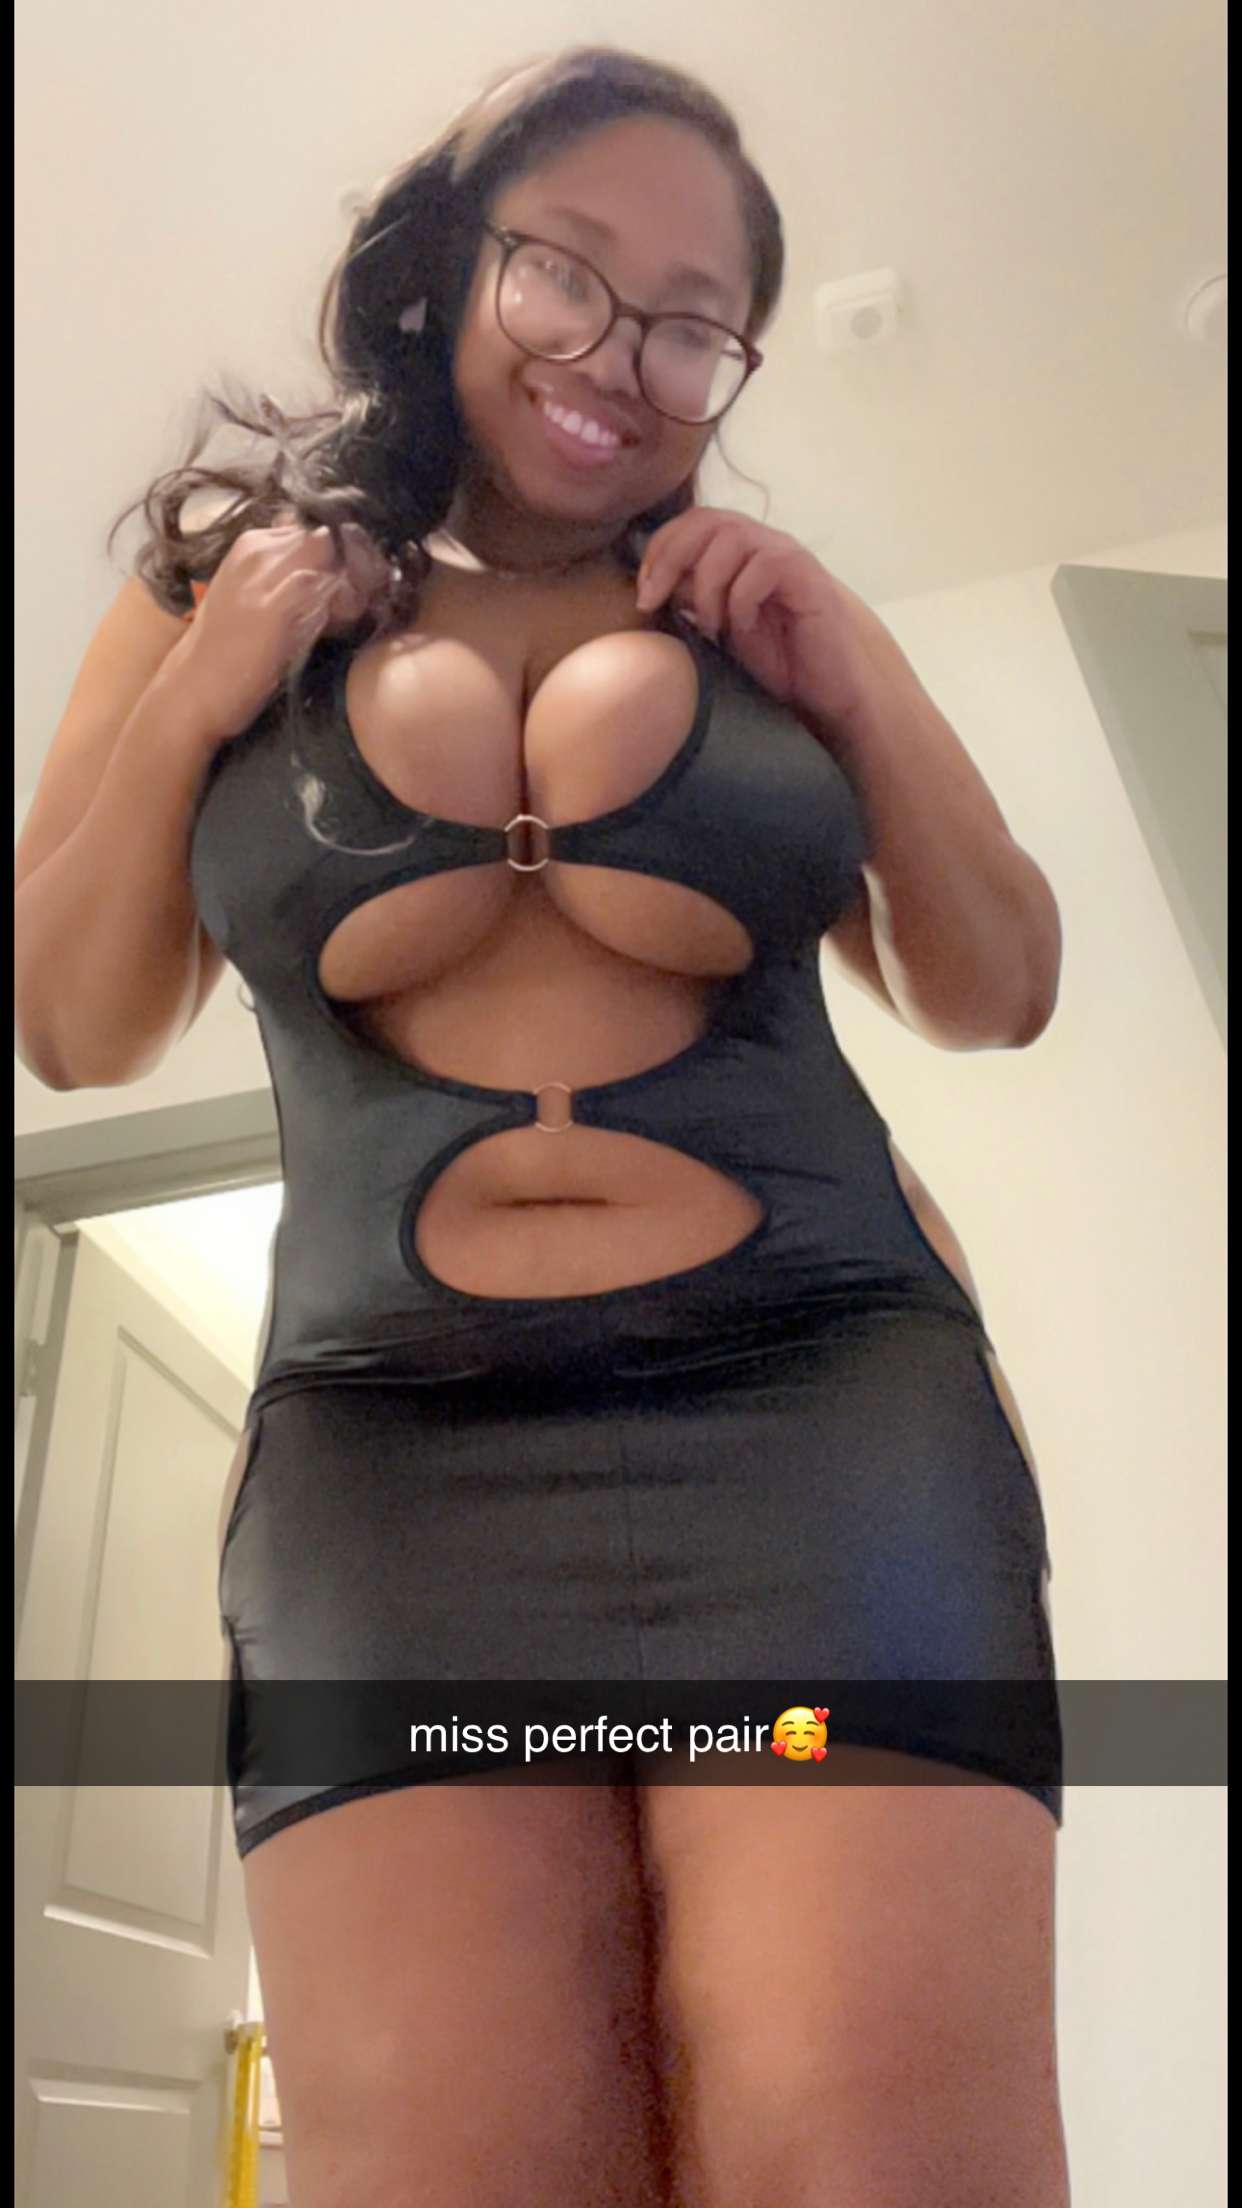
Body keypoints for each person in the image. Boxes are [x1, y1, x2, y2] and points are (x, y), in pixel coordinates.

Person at [14, 45, 1070, 2208]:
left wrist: (854, 667)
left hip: (821, 1436)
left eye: (692, 323)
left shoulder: (747, 613)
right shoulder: (218, 596)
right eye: (566, 274)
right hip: (396, 1474)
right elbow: (68, 1025)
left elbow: (998, 984)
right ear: (449, 266)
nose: (618, 356)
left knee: (866, 2155)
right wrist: (206, 690)